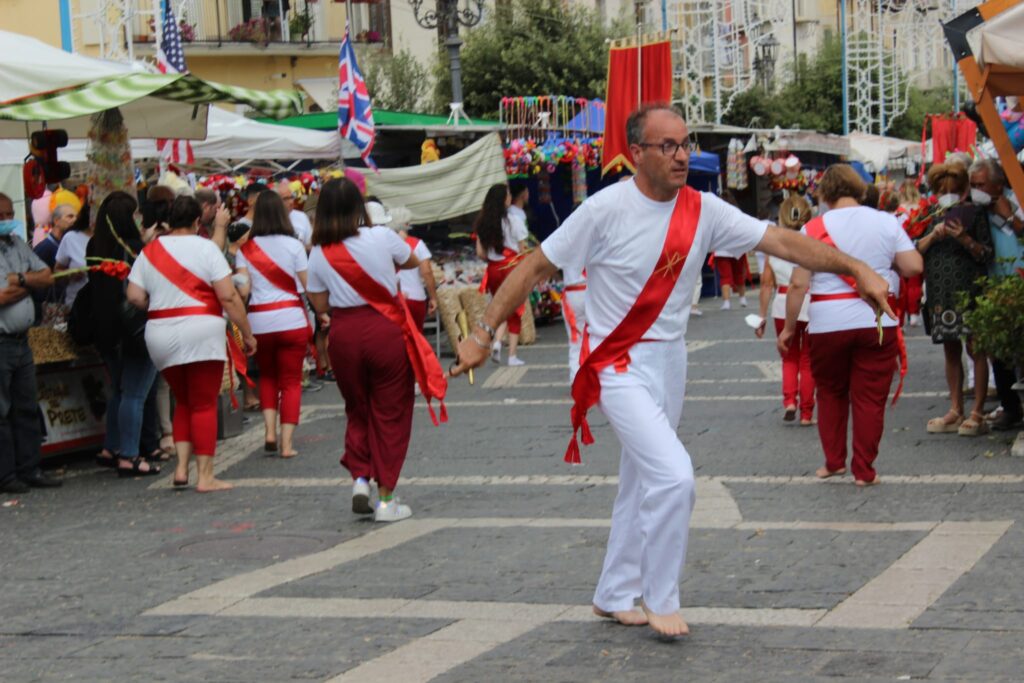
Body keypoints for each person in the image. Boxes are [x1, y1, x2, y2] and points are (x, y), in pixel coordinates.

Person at [452, 105, 895, 636]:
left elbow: (779, 241)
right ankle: (661, 596)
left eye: (685, 144)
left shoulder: (705, 209)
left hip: (671, 360)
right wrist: (482, 336)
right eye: (667, 146)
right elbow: (532, 266)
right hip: (615, 362)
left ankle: (613, 592)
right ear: (636, 153)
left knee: (640, 481)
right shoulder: (604, 209)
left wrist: (856, 267)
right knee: (674, 475)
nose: (682, 154)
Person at [780, 164, 923, 486]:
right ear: (860, 189)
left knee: (830, 392)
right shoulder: (886, 222)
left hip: (828, 322)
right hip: (877, 319)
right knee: (870, 398)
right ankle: (864, 470)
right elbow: (913, 266)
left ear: (825, 194)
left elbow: (799, 285)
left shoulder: (813, 228)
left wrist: (789, 329)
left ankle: (833, 463)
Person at [306, 178, 430, 523]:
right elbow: (411, 261)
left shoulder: (317, 252)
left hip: (344, 334)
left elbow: (320, 304)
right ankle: (387, 499)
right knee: (390, 413)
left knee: (357, 408)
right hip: (386, 331)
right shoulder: (381, 236)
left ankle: (360, 478)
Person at [126, 196, 256, 493]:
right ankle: (206, 476)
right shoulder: (207, 248)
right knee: (203, 403)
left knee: (182, 401)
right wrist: (247, 333)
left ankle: (181, 470)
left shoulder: (149, 251)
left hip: (160, 332)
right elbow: (228, 296)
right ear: (198, 221)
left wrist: (157, 305)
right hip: (201, 330)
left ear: (169, 220)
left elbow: (134, 296)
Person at [87, 192, 164, 476]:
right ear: (130, 218)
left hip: (105, 330)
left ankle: (112, 447)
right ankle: (130, 455)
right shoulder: (136, 248)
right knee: (134, 393)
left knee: (120, 390)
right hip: (135, 330)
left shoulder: (95, 244)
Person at [917, 162, 994, 437]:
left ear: (963, 189)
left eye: (951, 189)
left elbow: (987, 254)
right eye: (941, 189)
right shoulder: (931, 213)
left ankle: (978, 411)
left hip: (970, 290)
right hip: (940, 291)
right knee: (950, 349)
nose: (946, 194)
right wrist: (932, 237)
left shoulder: (976, 213)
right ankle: (955, 408)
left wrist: (964, 239)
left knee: (977, 348)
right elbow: (915, 249)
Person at [235, 191, 310, 458]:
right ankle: (287, 445)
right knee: (291, 382)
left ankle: (268, 432)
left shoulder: (245, 250)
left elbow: (243, 291)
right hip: (291, 318)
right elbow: (307, 285)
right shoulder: (295, 246)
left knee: (266, 376)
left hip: (259, 321)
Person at [0, 193, 61, 493]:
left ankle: (30, 468)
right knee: (2, 411)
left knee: (26, 406)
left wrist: (20, 281)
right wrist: (29, 282)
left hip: (22, 341)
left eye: (10, 213)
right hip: (1, 341)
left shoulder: (17, 244)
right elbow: (0, 298)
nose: (7, 219)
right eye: (2, 214)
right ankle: (6, 474)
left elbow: (47, 275)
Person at [969, 157, 1024, 431]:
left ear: (998, 184)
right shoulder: (975, 211)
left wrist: (1010, 216)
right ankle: (1009, 406)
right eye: (973, 185)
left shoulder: (1018, 199)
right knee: (999, 352)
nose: (976, 189)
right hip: (993, 287)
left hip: (1018, 284)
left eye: (981, 184)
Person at [756, 194, 815, 425]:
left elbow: (766, 284)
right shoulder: (812, 243)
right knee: (808, 360)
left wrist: (761, 316)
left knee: (788, 357)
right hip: (808, 301)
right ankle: (807, 413)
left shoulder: (775, 246)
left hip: (782, 303)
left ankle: (790, 400)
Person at [475, 184, 529, 366]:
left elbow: (481, 253)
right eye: (507, 195)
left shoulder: (483, 222)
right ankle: (511, 354)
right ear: (503, 199)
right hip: (511, 267)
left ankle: (496, 342)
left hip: (493, 269)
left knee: (498, 305)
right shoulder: (513, 220)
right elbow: (522, 249)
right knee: (514, 308)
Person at [384, 206, 438, 332]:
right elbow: (427, 272)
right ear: (406, 224)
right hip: (416, 298)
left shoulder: (384, 243)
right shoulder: (417, 244)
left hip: (394, 298)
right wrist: (433, 297)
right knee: (416, 337)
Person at [896, 180, 924, 327]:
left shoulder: (898, 210)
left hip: (899, 248)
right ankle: (914, 313)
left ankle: (900, 318)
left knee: (901, 284)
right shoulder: (920, 208)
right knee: (914, 283)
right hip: (916, 246)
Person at [53, 204, 93, 306]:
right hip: (77, 303)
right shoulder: (71, 238)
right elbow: (57, 270)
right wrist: (70, 274)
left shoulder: (113, 238)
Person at [33, 204, 76, 268]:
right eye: (70, 216)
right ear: (56, 221)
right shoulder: (44, 248)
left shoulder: (70, 245)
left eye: (76, 217)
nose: (75, 220)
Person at [276, 180, 313, 249]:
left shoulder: (301, 216)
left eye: (291, 197)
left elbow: (311, 244)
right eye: (286, 199)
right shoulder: (268, 219)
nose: (291, 202)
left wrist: (298, 249)